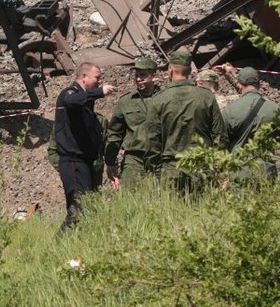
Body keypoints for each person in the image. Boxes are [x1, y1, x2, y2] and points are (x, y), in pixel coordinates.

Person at [144, 49, 227, 188]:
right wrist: (218, 166)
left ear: (170, 69)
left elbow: (152, 141)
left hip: (171, 170)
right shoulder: (206, 97)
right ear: (190, 71)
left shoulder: (158, 100)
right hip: (202, 168)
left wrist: (156, 172)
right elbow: (220, 136)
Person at [53, 61, 116, 230]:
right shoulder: (70, 93)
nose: (99, 82)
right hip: (73, 161)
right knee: (78, 209)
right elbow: (71, 101)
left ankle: (76, 245)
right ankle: (58, 246)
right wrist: (99, 92)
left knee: (86, 207)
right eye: (96, 78)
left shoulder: (84, 99)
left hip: (84, 162)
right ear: (83, 77)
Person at [221, 66, 280, 178]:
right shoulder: (276, 110)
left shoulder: (229, 110)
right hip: (266, 174)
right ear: (259, 84)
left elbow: (220, 144)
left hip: (238, 174)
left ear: (239, 85)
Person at [105, 56, 159, 189]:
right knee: (130, 196)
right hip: (134, 158)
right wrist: (110, 161)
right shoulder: (126, 102)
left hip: (160, 157)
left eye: (143, 75)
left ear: (153, 76)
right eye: (136, 75)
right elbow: (115, 133)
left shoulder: (165, 98)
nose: (139, 79)